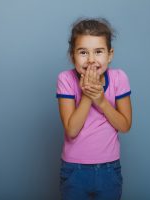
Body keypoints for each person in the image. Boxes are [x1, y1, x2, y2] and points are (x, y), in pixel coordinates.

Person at [56, 18, 132, 200]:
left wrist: (101, 100)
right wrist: (88, 95)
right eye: (83, 52)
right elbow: (72, 130)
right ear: (72, 55)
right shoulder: (65, 79)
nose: (91, 60)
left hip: (109, 169)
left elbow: (125, 126)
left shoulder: (119, 78)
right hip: (74, 170)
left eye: (98, 52)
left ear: (109, 54)